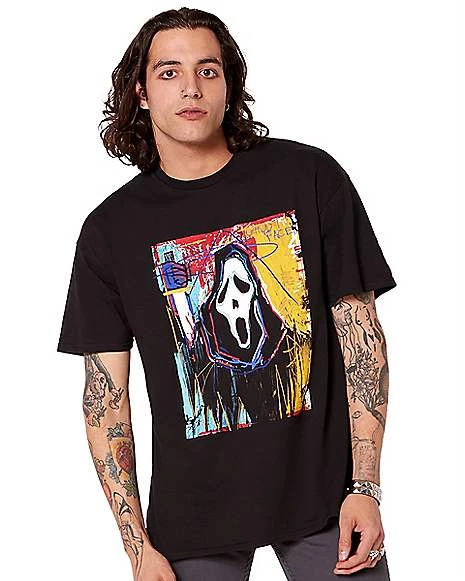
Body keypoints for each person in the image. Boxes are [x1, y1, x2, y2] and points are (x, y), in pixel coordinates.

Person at [57, 7, 396, 580]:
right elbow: (105, 399)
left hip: (325, 501)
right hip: (193, 518)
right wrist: (137, 545)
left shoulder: (309, 176)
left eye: (207, 70)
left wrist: (366, 487)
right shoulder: (110, 231)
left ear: (228, 83)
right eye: (169, 72)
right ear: (141, 93)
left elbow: (362, 340)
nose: (190, 88)